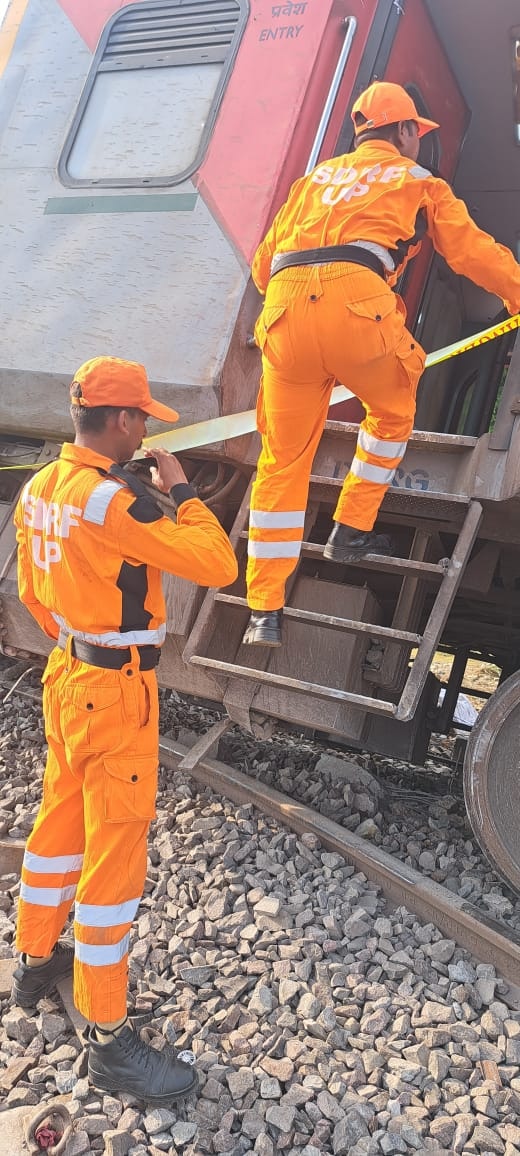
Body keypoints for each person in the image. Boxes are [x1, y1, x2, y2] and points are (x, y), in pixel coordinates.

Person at [11, 355, 238, 1106]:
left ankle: (34, 962)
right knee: (113, 863)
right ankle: (109, 1038)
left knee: (57, 826)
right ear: (120, 423)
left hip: (67, 676)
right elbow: (217, 564)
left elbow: (31, 592)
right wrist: (178, 488)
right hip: (115, 692)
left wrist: (77, 638)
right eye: (141, 416)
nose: (146, 427)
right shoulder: (113, 501)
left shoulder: (42, 485)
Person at [243, 81, 520, 646]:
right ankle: (350, 530)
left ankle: (263, 613)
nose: (418, 141)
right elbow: (470, 252)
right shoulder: (419, 181)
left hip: (283, 313)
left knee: (281, 461)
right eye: (416, 130)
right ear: (402, 131)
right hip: (357, 310)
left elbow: (263, 263)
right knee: (392, 413)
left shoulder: (313, 179)